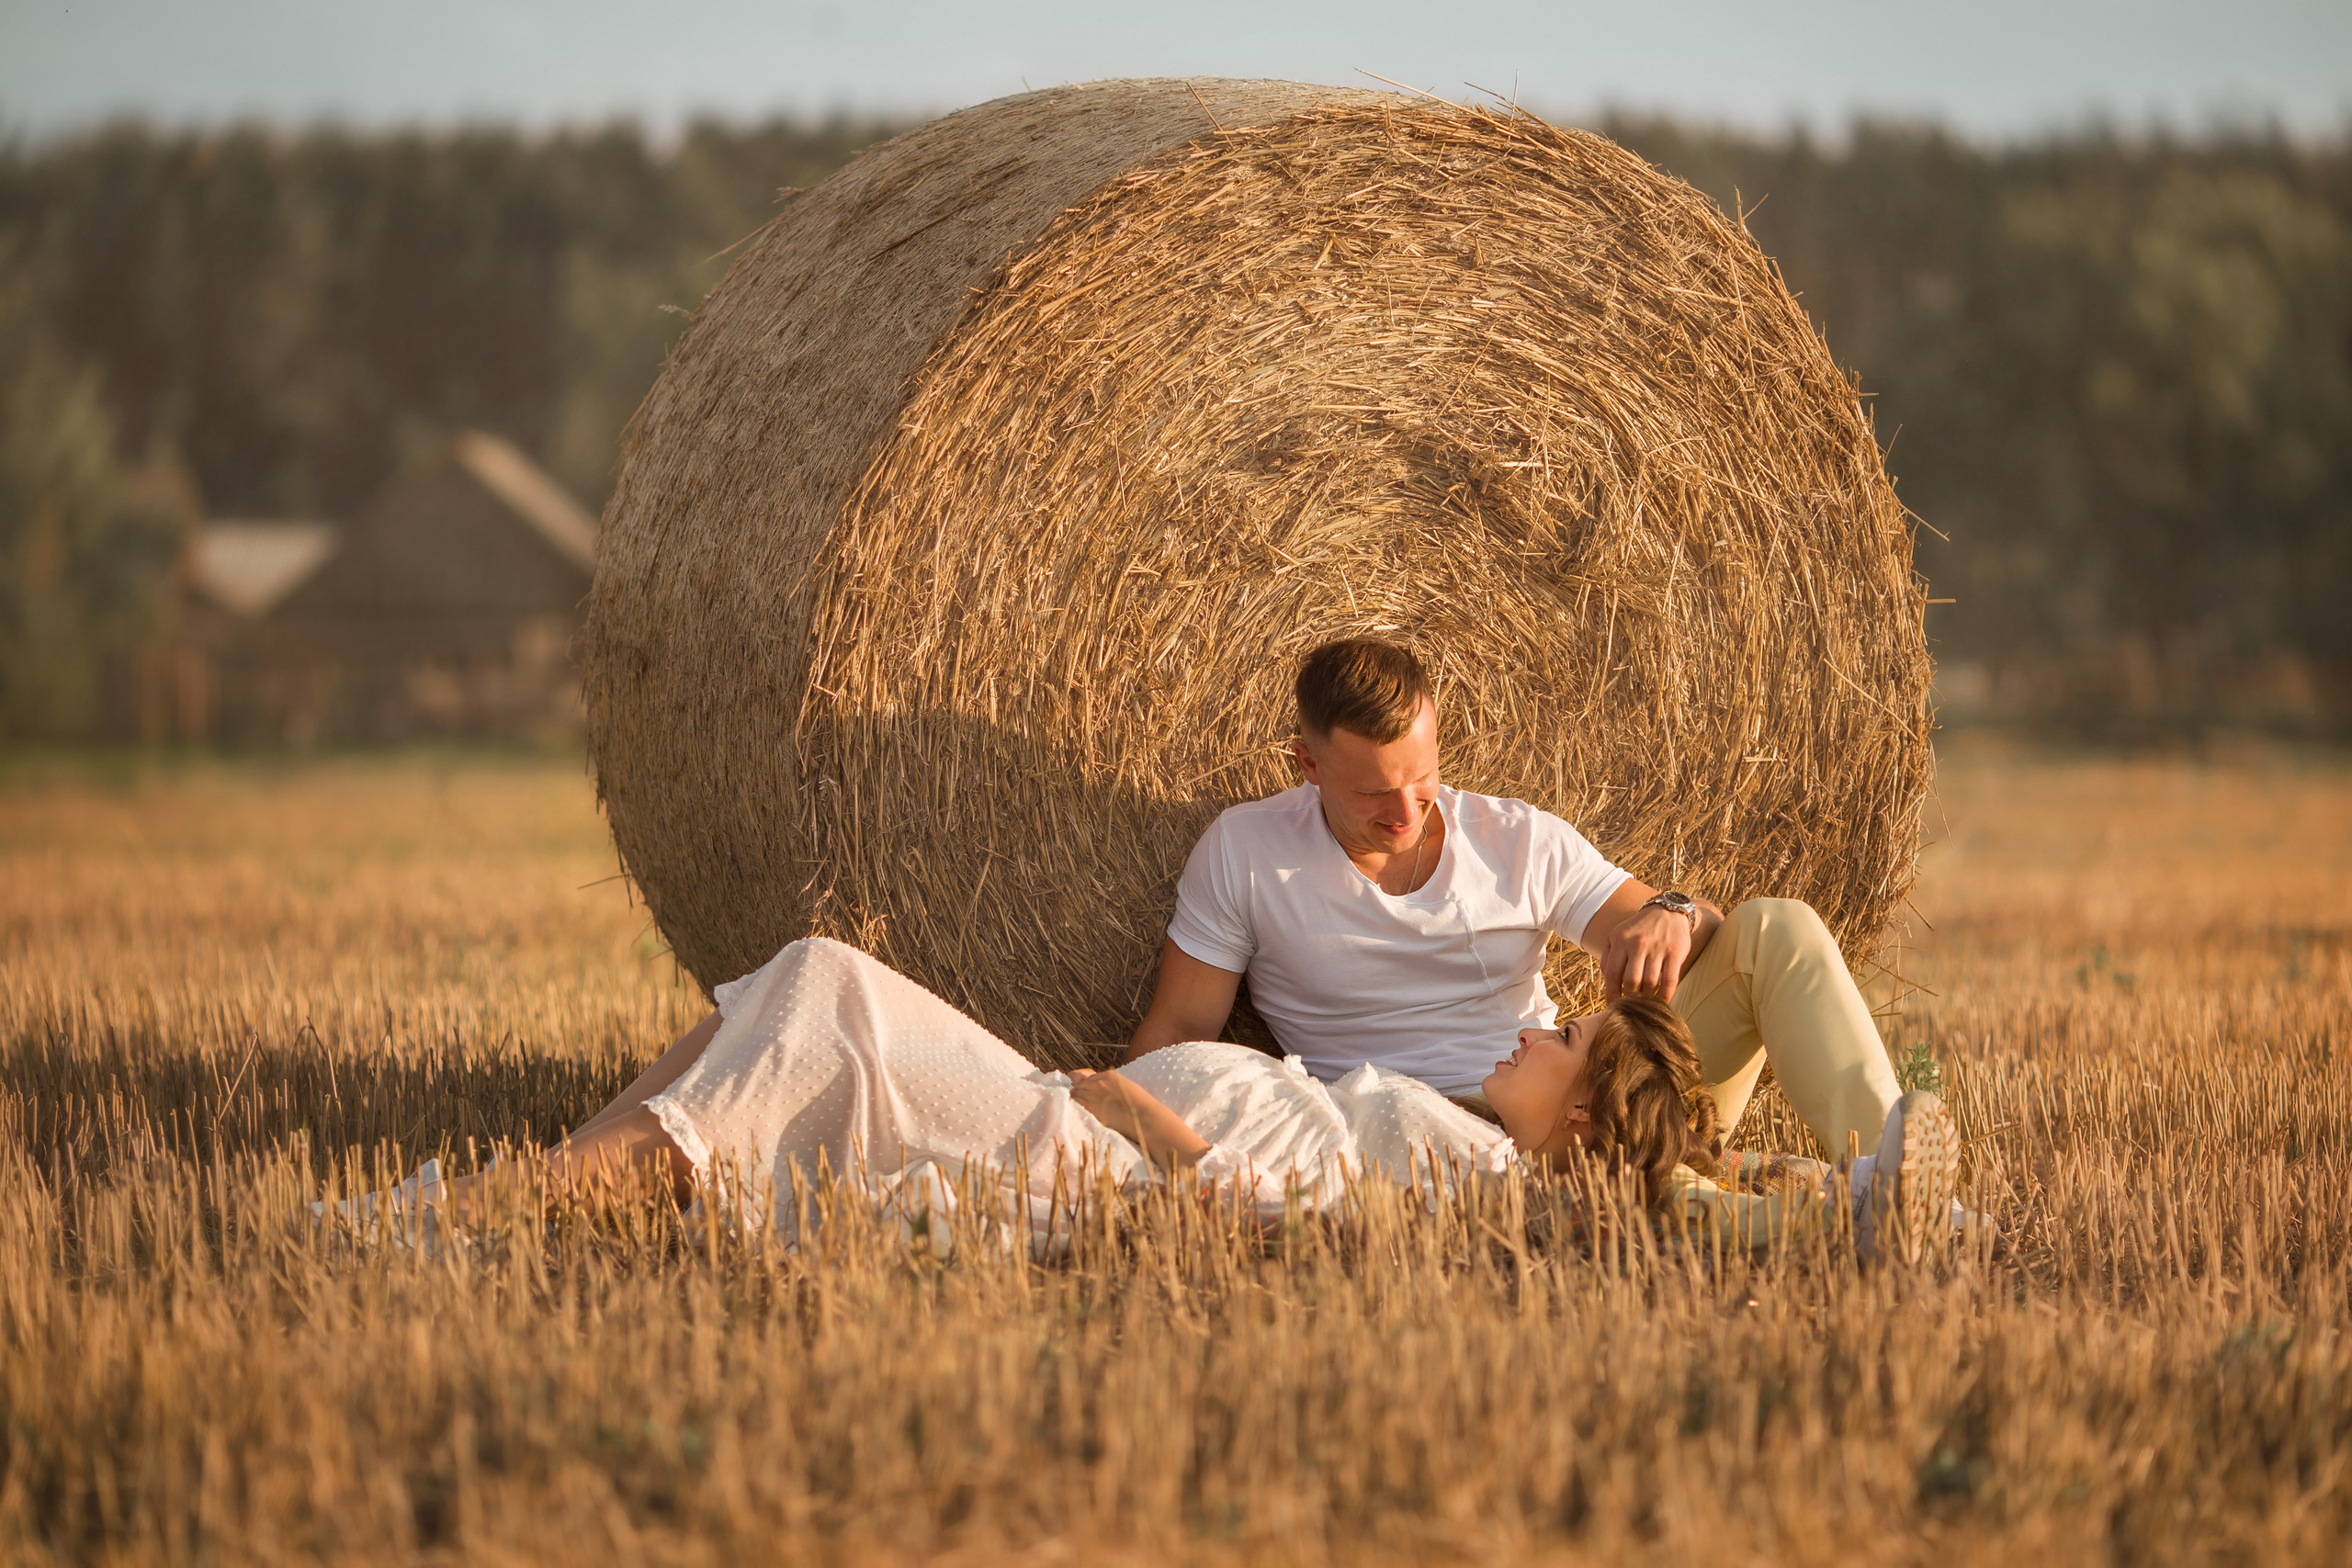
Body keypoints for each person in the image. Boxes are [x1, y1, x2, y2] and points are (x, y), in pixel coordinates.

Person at [316, 936, 1956, 1265]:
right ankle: (481, 1208)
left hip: (1068, 1146)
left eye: (1562, 1046)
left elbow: (1264, 1218)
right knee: (787, 994)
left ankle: (460, 1218)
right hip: (1062, 1112)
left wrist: (1154, 1123)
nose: (1537, 1025)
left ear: (1580, 1124)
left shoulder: (1470, 1170)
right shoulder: (1476, 1136)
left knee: (817, 995)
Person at [1122, 637, 1912, 1196]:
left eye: (1423, 779)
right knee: (1684, 1201)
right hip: (1402, 1135)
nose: (1406, 811)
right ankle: (1751, 1187)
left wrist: (1672, 911)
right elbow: (1179, 1035)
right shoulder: (1246, 852)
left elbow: (1692, 923)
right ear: (1308, 764)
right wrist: (1126, 1134)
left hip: (1572, 1098)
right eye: (1372, 793)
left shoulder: (1513, 838)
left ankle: (1896, 1171)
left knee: (1775, 927)